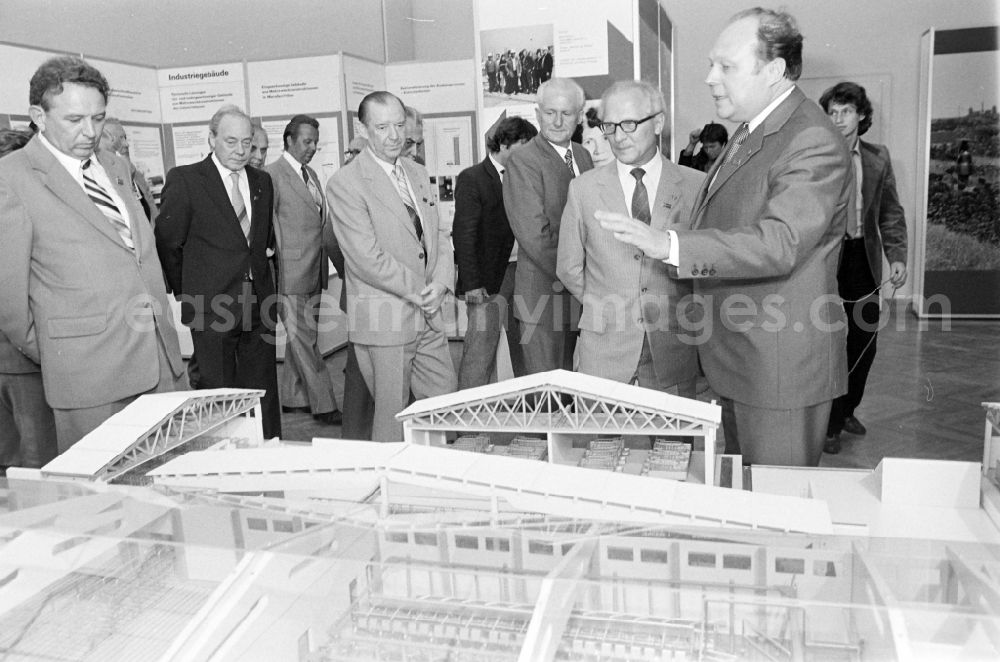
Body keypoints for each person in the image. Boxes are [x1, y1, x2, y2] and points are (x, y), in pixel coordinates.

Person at [599, 8, 851, 467]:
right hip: (741, 360)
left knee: (777, 508)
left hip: (778, 371)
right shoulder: (751, 131)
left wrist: (669, 245)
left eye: (726, 67)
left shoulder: (811, 138)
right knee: (745, 499)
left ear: (773, 71)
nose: (711, 78)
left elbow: (779, 242)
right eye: (712, 64)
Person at [0, 56, 186, 449]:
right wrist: (63, 351)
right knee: (104, 501)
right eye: (74, 120)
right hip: (89, 378)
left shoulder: (115, 165)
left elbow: (136, 255)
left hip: (161, 363)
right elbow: (11, 301)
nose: (90, 132)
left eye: (98, 118)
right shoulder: (11, 179)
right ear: (38, 115)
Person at [558, 80, 704, 395]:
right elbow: (569, 267)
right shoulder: (583, 190)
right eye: (609, 127)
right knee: (601, 443)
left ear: (658, 123)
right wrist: (607, 306)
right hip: (604, 349)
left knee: (672, 443)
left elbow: (707, 263)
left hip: (673, 348)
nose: (618, 137)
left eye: (629, 124)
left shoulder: (695, 187)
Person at [327, 91, 456, 442]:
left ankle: (437, 483)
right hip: (386, 318)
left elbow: (439, 235)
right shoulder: (346, 183)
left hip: (428, 312)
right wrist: (421, 291)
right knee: (393, 421)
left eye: (399, 125)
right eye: (382, 127)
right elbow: (365, 257)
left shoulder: (416, 172)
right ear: (363, 128)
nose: (394, 136)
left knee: (442, 406)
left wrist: (442, 283)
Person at [156, 104, 281, 439]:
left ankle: (267, 450)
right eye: (231, 142)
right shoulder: (186, 180)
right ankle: (219, 457)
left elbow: (261, 243)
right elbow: (168, 244)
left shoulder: (262, 182)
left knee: (263, 390)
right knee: (217, 393)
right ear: (211, 139)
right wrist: (189, 294)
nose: (241, 151)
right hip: (210, 306)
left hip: (259, 304)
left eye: (247, 142)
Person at [820, 82, 908, 453]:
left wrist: (897, 255)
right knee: (829, 343)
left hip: (862, 259)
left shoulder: (878, 157)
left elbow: (890, 212)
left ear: (861, 116)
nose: (838, 119)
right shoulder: (817, 156)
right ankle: (830, 424)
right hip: (825, 259)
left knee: (864, 343)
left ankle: (848, 408)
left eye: (845, 111)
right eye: (832, 112)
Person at [503, 77, 594, 375]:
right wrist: (582, 276)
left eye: (566, 113)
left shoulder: (582, 156)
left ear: (579, 116)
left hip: (577, 299)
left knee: (569, 389)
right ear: (537, 113)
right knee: (544, 398)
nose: (557, 121)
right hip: (542, 298)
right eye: (550, 112)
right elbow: (535, 236)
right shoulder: (523, 160)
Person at [265, 114, 343, 426]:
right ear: (289, 140)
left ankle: (294, 398)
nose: (312, 148)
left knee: (299, 339)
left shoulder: (309, 173)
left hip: (315, 270)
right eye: (306, 141)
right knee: (307, 343)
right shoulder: (272, 175)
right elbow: (268, 228)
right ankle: (325, 405)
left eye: (315, 142)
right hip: (291, 274)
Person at [454, 116, 538, 389]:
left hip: (523, 273)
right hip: (488, 279)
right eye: (524, 146)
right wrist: (472, 284)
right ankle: (468, 414)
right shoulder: (473, 178)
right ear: (504, 143)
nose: (530, 153)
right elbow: (464, 235)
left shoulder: (526, 177)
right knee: (480, 350)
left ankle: (532, 409)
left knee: (526, 346)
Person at [0, 128, 57, 472]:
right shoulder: (19, 214)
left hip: (17, 360)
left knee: (12, 461)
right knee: (39, 462)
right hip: (25, 362)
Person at [100, 117, 157, 223]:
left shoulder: (136, 174)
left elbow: (151, 206)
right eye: (121, 138)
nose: (127, 144)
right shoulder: (100, 177)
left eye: (125, 138)